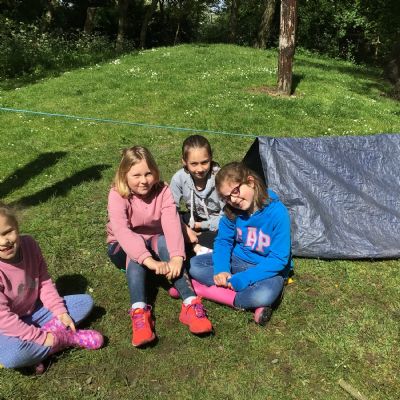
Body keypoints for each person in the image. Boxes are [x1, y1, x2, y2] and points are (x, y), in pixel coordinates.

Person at [106, 146, 212, 347]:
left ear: (155, 171)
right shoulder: (117, 194)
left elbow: (171, 223)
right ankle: (139, 312)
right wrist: (149, 261)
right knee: (134, 254)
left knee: (164, 241)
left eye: (148, 173)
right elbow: (122, 232)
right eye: (136, 175)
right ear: (124, 175)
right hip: (122, 247)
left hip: (155, 241)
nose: (144, 180)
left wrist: (177, 257)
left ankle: (190, 303)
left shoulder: (163, 190)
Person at [0, 202, 103, 373]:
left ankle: (38, 352)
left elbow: (44, 282)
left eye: (7, 232)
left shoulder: (29, 244)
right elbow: (4, 319)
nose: (4, 241)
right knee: (11, 357)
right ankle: (67, 338)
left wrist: (60, 312)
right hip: (6, 327)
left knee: (84, 303)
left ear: (16, 226)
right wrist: (41, 337)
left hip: (37, 311)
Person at [189, 162, 292, 326]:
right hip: (238, 260)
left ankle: (201, 289)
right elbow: (223, 242)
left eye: (235, 191)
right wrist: (222, 269)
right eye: (226, 197)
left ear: (250, 182)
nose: (233, 200)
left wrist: (245, 278)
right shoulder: (232, 211)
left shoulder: (277, 212)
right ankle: (248, 301)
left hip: (266, 268)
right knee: (194, 265)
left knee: (264, 294)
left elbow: (279, 259)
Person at [170, 135, 224, 255]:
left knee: (228, 232)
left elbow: (228, 215)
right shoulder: (179, 178)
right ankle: (198, 246)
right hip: (193, 220)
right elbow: (171, 210)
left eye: (204, 162)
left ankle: (195, 246)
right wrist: (185, 228)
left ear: (211, 158)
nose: (200, 169)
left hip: (216, 223)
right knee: (173, 221)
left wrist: (202, 225)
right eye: (194, 164)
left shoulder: (221, 178)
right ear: (184, 162)